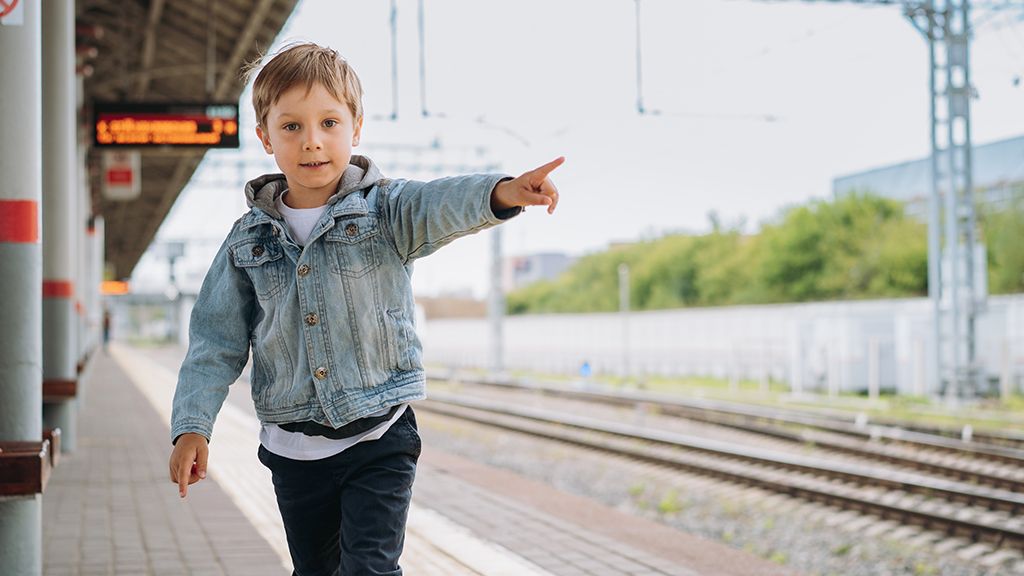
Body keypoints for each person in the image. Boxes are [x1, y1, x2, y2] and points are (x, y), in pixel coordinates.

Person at [167, 42, 563, 575]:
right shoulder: (247, 241)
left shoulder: (387, 211)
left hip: (380, 435)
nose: (313, 142)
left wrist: (502, 192)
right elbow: (216, 341)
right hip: (293, 450)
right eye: (291, 127)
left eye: (329, 122)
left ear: (356, 128)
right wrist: (193, 426)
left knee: (370, 568)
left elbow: (439, 203)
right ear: (264, 137)